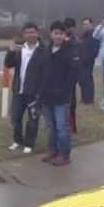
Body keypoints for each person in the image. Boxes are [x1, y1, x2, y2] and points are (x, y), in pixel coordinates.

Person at [38, 21, 80, 167]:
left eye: (61, 33)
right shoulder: (46, 51)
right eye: (55, 33)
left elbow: (73, 75)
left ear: (64, 35)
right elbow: (41, 73)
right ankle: (52, 150)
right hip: (46, 96)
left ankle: (64, 154)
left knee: (62, 127)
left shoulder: (71, 52)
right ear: (51, 34)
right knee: (51, 127)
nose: (58, 36)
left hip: (62, 97)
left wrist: (64, 91)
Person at [2, 22, 45, 154]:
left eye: (33, 32)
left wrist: (41, 91)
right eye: (27, 32)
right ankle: (17, 140)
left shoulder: (43, 50)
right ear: (24, 34)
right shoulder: (20, 50)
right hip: (18, 90)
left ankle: (29, 143)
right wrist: (10, 50)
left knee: (33, 119)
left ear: (37, 33)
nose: (30, 34)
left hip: (34, 92)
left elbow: (46, 72)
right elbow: (8, 64)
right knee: (16, 117)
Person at [78, 16, 100, 105]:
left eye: (87, 24)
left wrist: (89, 57)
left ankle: (89, 99)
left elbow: (95, 48)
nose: (85, 26)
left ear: (91, 24)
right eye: (84, 24)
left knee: (87, 80)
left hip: (88, 60)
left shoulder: (94, 35)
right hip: (81, 60)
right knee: (82, 80)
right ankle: (84, 98)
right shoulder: (83, 36)